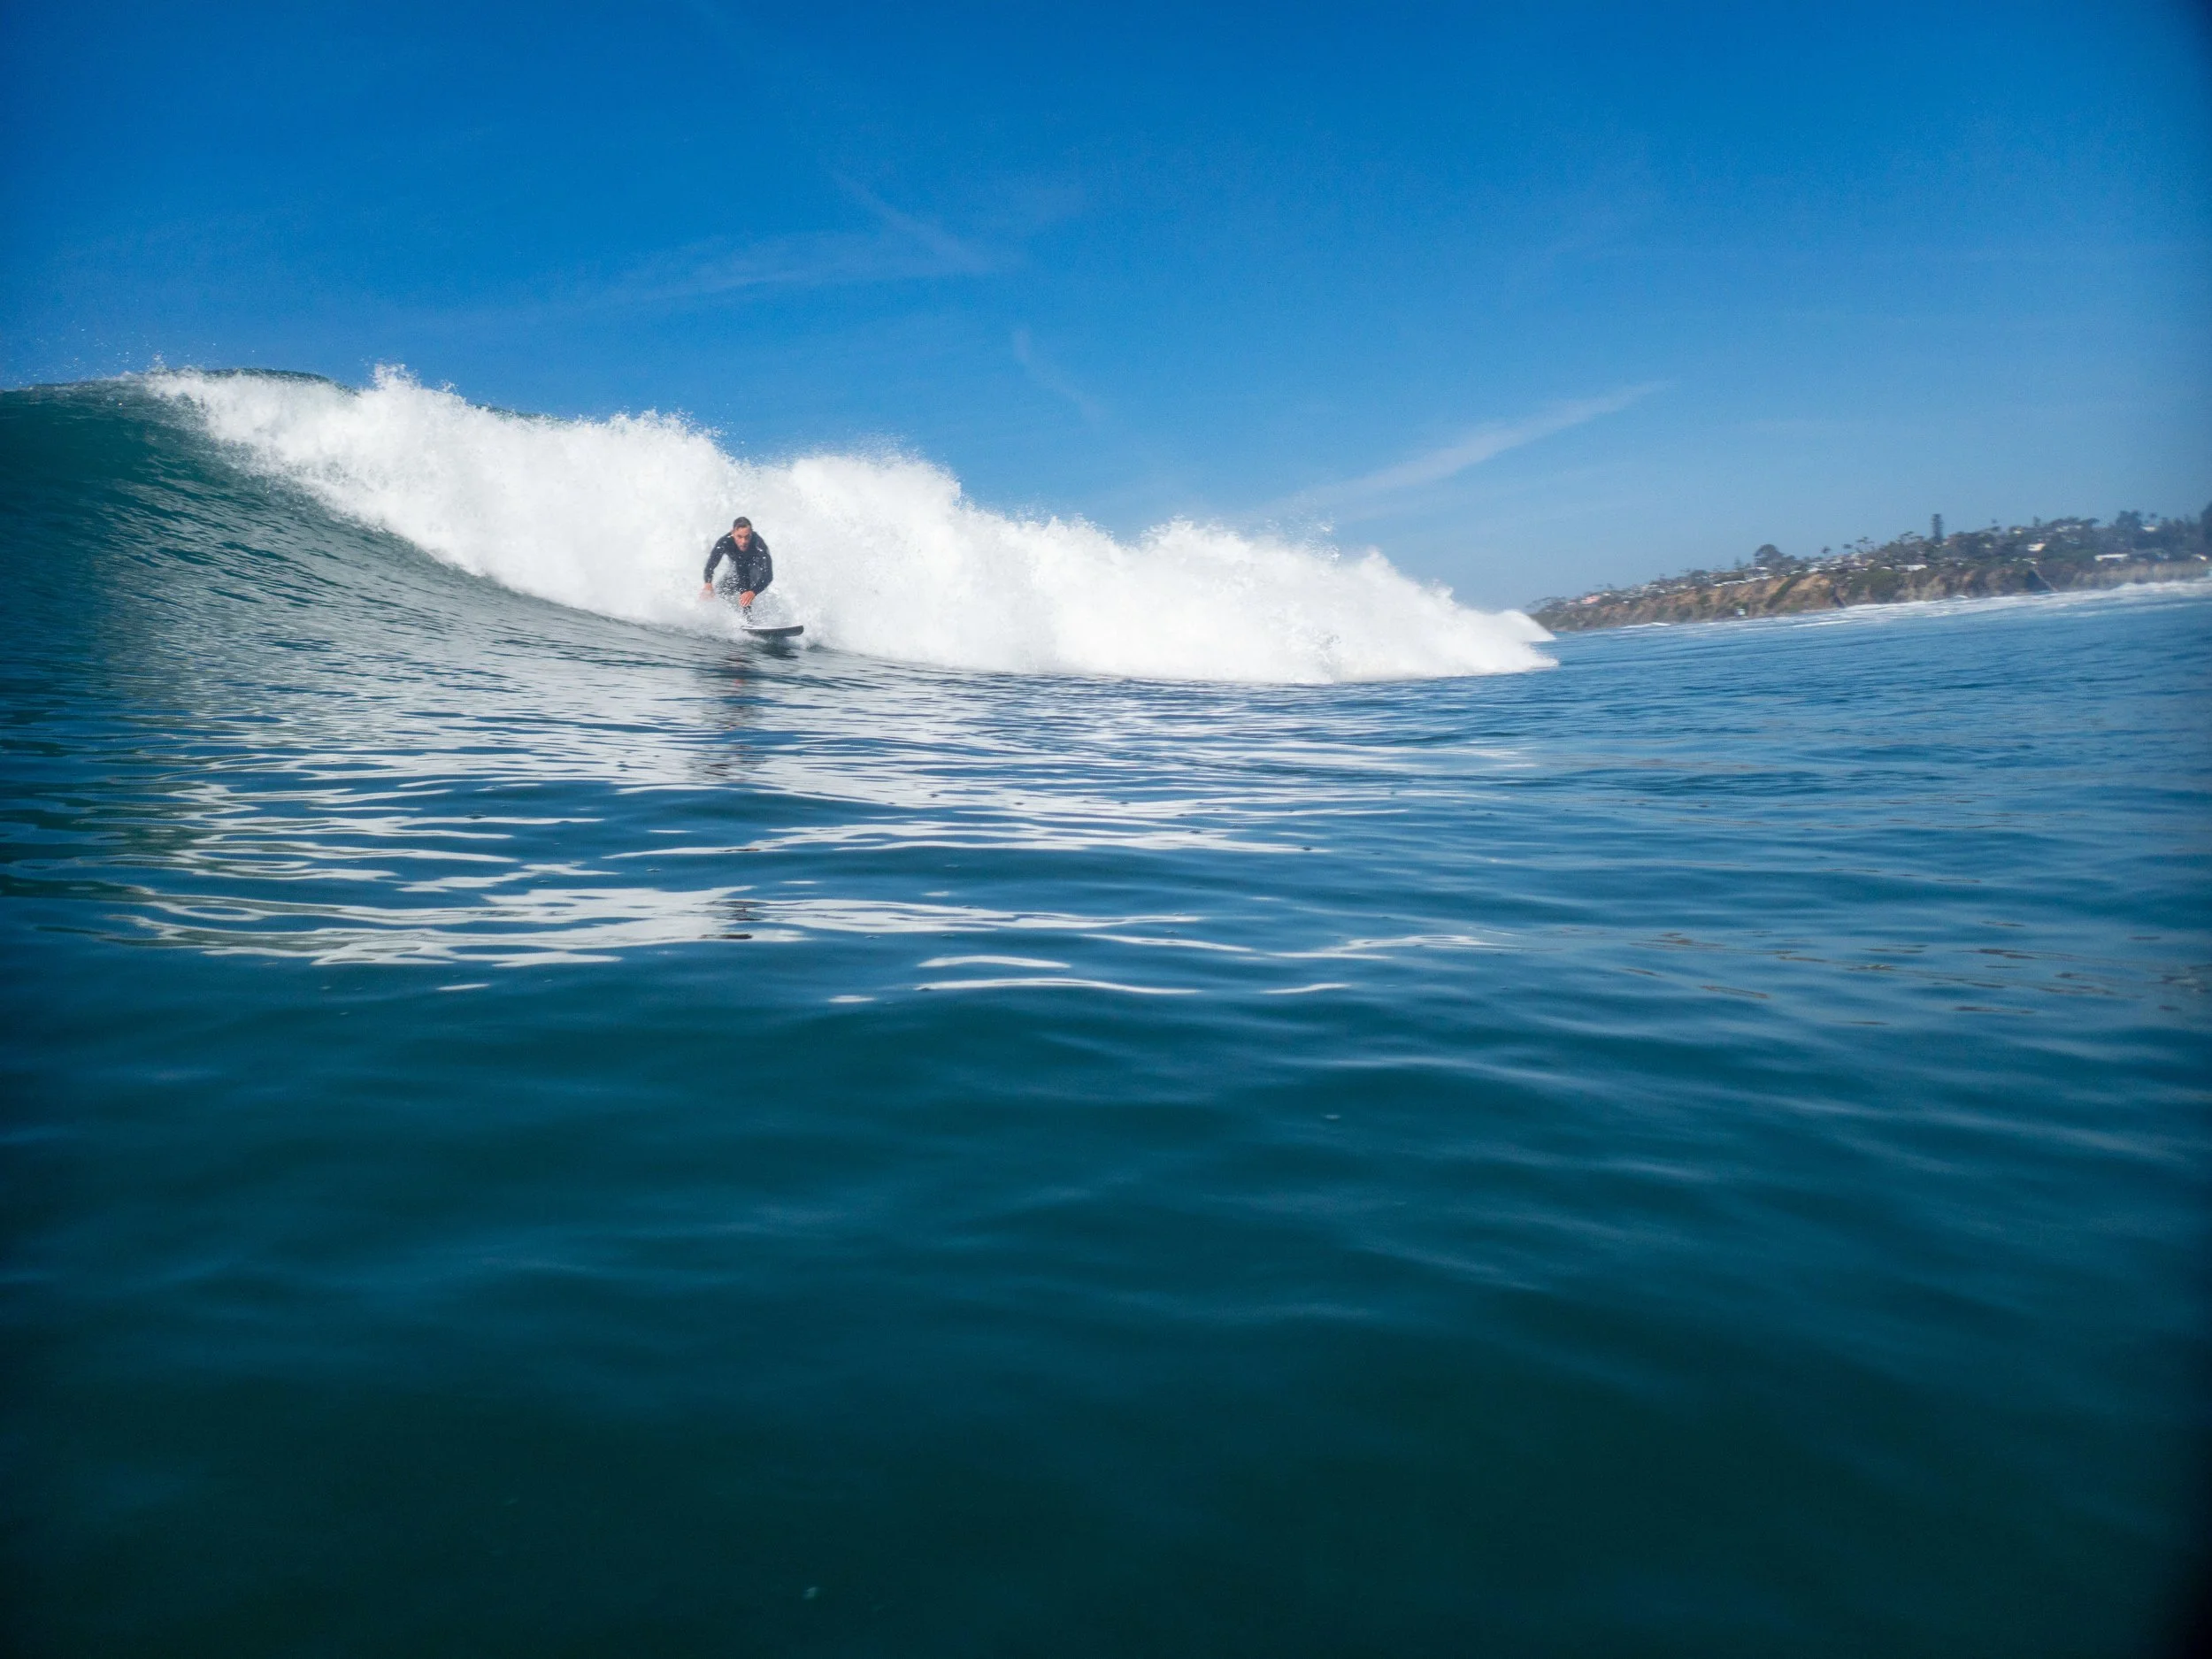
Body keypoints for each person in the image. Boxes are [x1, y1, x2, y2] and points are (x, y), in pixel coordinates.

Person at [700, 517, 772, 611]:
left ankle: (749, 618)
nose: (743, 541)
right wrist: (708, 583)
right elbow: (710, 565)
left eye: (747, 537)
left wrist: (753, 592)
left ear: (751, 533)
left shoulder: (759, 544)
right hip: (737, 570)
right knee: (718, 593)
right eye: (739, 537)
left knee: (746, 593)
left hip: (754, 571)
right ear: (732, 533)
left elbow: (768, 575)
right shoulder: (725, 542)